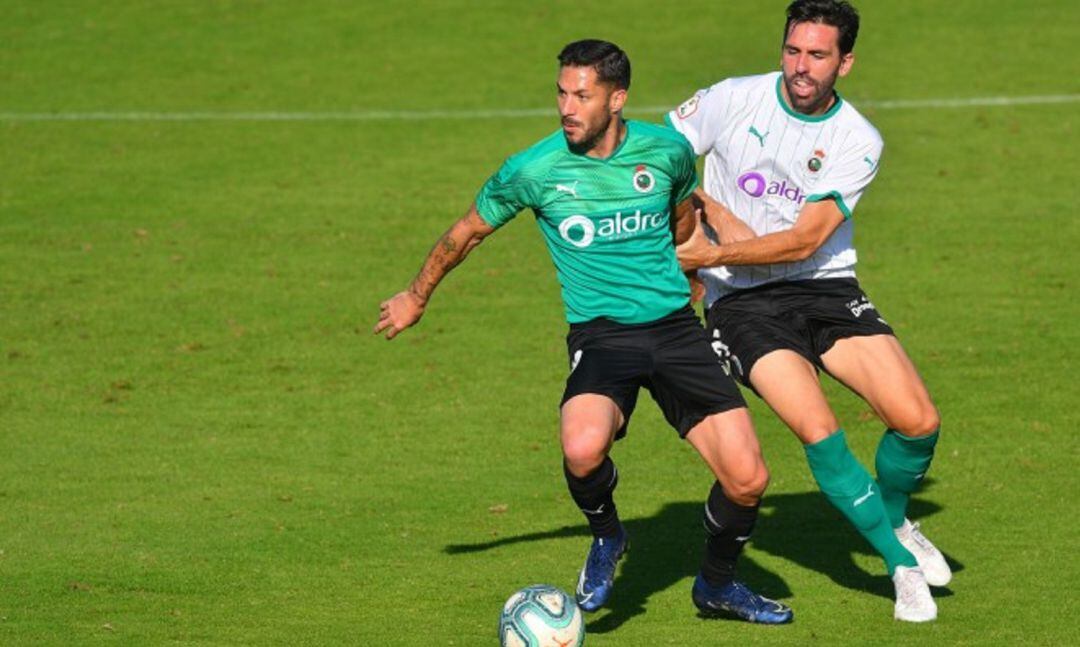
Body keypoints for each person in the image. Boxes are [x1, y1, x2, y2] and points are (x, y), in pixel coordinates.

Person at [375, 39, 792, 624]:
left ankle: (717, 587)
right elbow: (466, 232)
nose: (567, 107)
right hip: (602, 337)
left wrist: (690, 270)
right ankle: (609, 536)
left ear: (617, 99)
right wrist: (416, 296)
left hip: (675, 331)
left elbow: (680, 217)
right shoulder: (534, 169)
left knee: (749, 479)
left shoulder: (668, 152)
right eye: (562, 92)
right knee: (581, 446)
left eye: (582, 95)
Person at [668, 0, 949, 623]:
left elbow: (803, 241)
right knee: (819, 429)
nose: (801, 66)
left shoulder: (858, 139)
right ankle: (898, 565)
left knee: (918, 421)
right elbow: (657, 153)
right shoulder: (732, 98)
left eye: (817, 55)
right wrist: (702, 209)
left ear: (844, 62)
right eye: (793, 50)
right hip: (739, 303)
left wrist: (713, 247)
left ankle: (896, 520)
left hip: (822, 286)